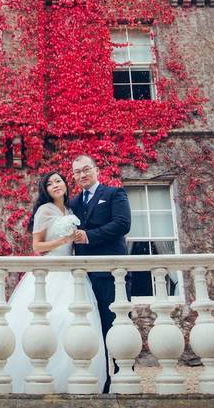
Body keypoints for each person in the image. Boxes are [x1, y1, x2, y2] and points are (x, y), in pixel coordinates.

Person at [0, 171, 107, 393]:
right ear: (45, 189)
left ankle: (74, 378)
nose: (55, 185)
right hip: (51, 273)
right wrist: (62, 240)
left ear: (65, 184)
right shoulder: (45, 210)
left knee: (76, 322)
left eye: (59, 181)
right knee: (50, 319)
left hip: (72, 274)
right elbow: (37, 247)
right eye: (50, 183)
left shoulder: (72, 210)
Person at [70, 154, 132, 394]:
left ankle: (122, 376)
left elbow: (122, 224)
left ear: (96, 170)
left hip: (110, 274)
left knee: (114, 326)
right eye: (77, 172)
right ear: (74, 177)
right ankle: (97, 378)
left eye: (86, 169)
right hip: (83, 277)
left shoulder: (114, 194)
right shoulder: (73, 203)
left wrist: (89, 236)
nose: (82, 175)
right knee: (90, 329)